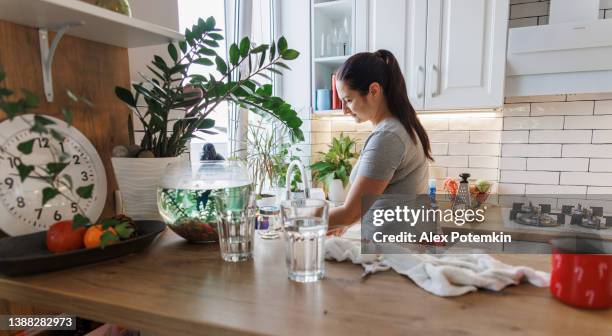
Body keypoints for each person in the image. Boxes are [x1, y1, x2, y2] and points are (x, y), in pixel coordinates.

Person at [327, 49, 433, 234]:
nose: (344, 109)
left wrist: (294, 219)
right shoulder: (399, 127)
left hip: (391, 251)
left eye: (349, 100)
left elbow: (350, 212)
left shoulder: (388, 137)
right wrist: (342, 224)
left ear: (373, 90)